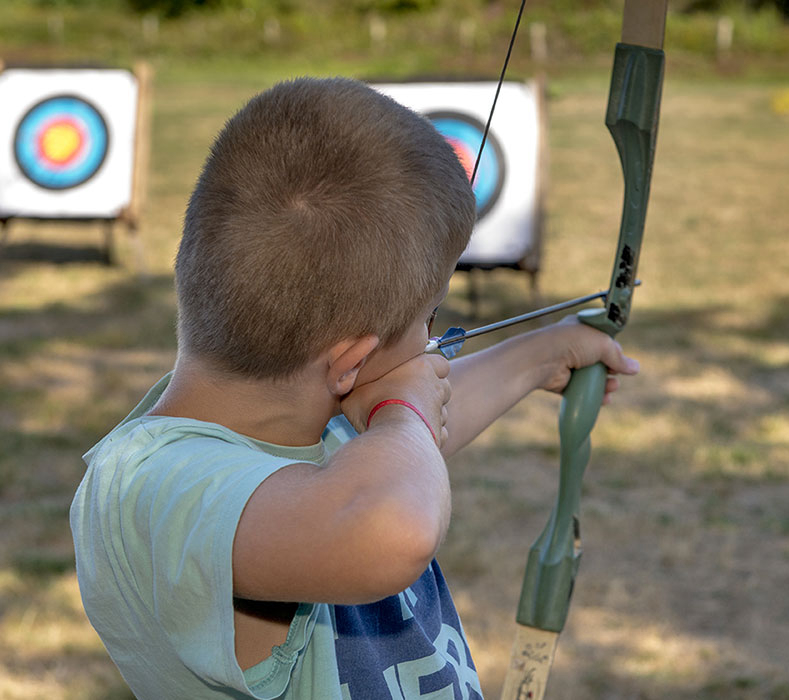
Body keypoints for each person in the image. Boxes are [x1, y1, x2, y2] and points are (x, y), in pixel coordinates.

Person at [70, 76, 638, 700]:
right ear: (348, 364)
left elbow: (407, 439)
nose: (430, 343)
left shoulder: (294, 414)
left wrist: (539, 357)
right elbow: (391, 518)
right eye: (428, 320)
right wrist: (402, 409)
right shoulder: (151, 490)